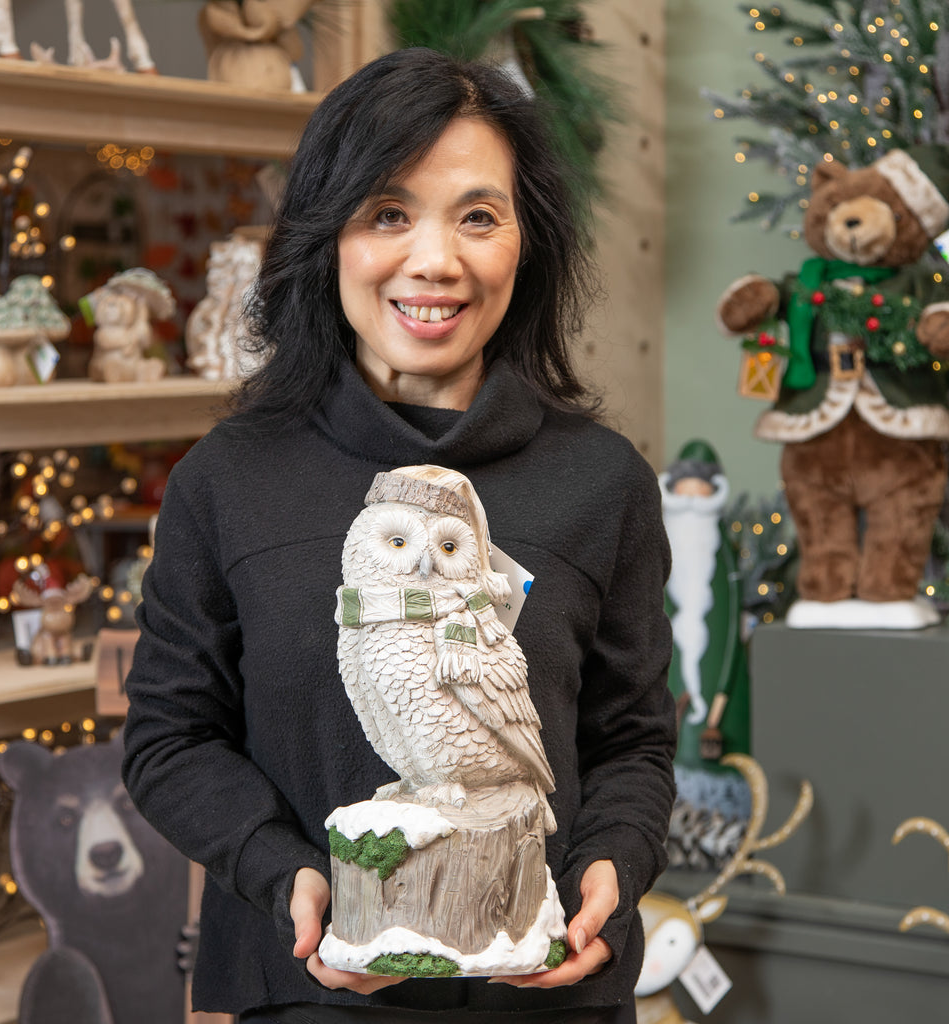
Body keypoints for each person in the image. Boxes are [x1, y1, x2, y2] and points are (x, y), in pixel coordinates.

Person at [121, 47, 676, 1024]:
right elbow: (171, 738)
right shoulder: (229, 480)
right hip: (305, 995)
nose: (435, 260)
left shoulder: (602, 482)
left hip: (546, 998)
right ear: (326, 235)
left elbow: (631, 739)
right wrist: (284, 872)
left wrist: (611, 865)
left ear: (527, 243)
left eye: (478, 216)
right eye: (387, 213)